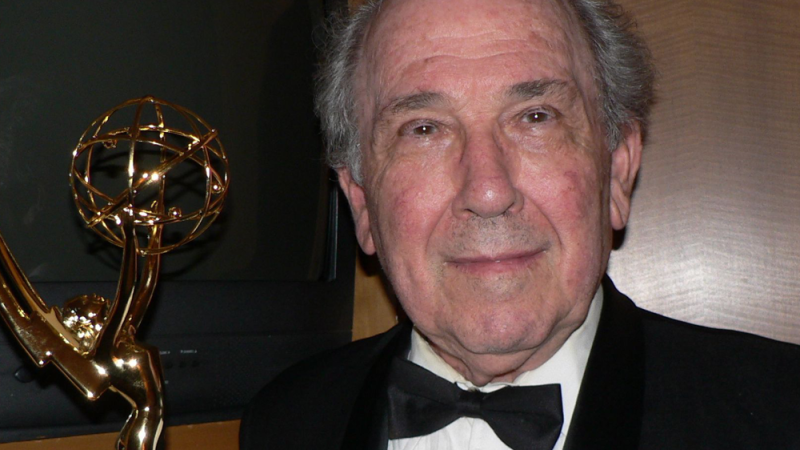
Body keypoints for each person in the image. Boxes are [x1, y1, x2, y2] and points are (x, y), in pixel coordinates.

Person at [240, 0, 800, 448]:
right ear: (360, 201)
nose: (487, 191)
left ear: (617, 174)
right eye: (424, 129)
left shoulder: (779, 414)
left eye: (535, 118)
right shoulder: (286, 422)